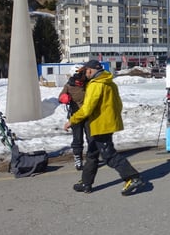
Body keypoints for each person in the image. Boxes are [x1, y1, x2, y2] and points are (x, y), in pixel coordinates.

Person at [64, 60, 145, 195]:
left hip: (101, 125)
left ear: (90, 70)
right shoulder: (110, 82)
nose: (85, 74)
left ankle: (132, 177)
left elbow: (87, 108)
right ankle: (86, 182)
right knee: (92, 153)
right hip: (106, 123)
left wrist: (72, 120)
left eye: (86, 71)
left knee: (109, 155)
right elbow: (118, 104)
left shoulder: (96, 84)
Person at [58, 64, 88, 170]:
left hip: (88, 114)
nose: (82, 76)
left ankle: (92, 157)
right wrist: (63, 98)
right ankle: (78, 158)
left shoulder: (88, 83)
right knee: (77, 138)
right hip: (75, 115)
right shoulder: (68, 85)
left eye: (82, 73)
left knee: (91, 137)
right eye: (80, 74)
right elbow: (60, 97)